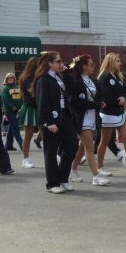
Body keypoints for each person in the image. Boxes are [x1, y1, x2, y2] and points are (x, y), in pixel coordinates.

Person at [33, 51, 78, 193]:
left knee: (72, 145)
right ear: (49, 63)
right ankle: (52, 183)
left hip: (65, 116)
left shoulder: (60, 77)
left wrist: (67, 74)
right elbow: (41, 102)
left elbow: (73, 90)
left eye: (61, 61)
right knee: (51, 151)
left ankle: (63, 178)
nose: (61, 64)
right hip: (52, 119)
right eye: (58, 62)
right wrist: (48, 121)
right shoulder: (43, 80)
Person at [67, 55, 110, 186]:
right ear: (83, 66)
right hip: (81, 117)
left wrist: (101, 102)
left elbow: (100, 96)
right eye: (91, 64)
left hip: (93, 117)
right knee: (90, 148)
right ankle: (95, 176)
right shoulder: (75, 81)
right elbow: (76, 102)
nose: (93, 66)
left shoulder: (94, 81)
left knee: (83, 146)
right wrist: (96, 104)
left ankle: (73, 169)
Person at [17, 56, 41, 168]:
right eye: (38, 65)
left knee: (47, 134)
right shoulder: (26, 77)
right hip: (30, 108)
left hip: (40, 107)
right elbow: (32, 91)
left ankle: (53, 155)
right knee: (28, 135)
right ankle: (25, 159)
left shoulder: (40, 76)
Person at [1, 73, 24, 152]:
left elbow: (21, 98)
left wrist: (21, 107)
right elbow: (6, 100)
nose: (10, 79)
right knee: (16, 128)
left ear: (14, 79)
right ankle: (23, 145)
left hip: (18, 111)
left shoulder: (17, 87)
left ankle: (8, 145)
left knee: (12, 128)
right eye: (9, 78)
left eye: (12, 77)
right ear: (6, 79)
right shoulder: (5, 88)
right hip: (9, 111)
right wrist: (14, 108)